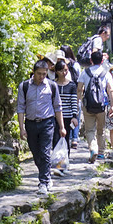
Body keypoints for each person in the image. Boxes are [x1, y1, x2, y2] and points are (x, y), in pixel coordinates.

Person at [17, 57, 66, 196]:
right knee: (36, 154)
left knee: (45, 152)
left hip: (47, 123)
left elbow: (57, 107)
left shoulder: (51, 86)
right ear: (34, 72)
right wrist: (22, 128)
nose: (42, 76)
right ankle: (46, 175)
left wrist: (62, 126)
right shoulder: (24, 86)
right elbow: (20, 108)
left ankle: (43, 183)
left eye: (44, 73)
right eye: (39, 73)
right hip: (31, 123)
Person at [79, 48, 113, 162]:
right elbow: (110, 90)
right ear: (102, 61)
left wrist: (80, 101)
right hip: (102, 105)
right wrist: (112, 105)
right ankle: (101, 153)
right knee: (101, 130)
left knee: (89, 130)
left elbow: (79, 89)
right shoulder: (106, 73)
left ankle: (93, 148)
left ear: (91, 60)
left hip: (88, 105)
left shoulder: (85, 72)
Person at [54, 57, 79, 153]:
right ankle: (57, 161)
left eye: (66, 70)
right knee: (55, 139)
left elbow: (73, 101)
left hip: (67, 116)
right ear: (56, 71)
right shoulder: (53, 84)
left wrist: (74, 116)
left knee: (66, 138)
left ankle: (65, 161)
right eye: (61, 70)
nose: (64, 73)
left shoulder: (71, 85)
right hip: (55, 116)